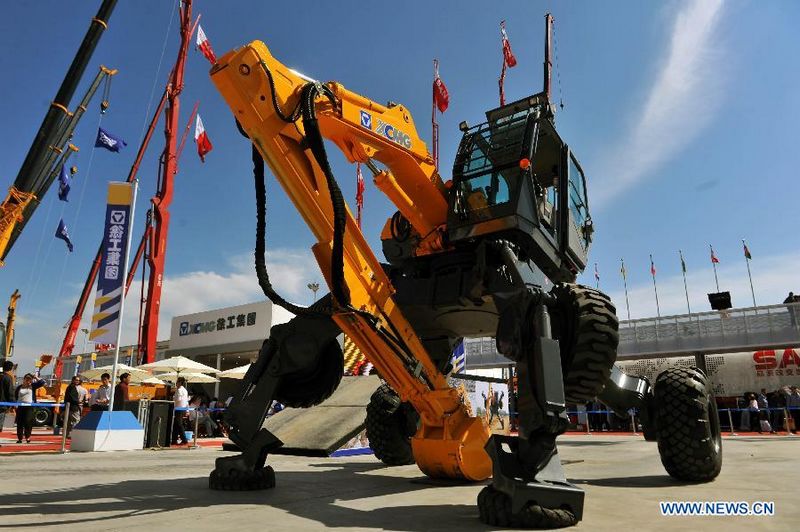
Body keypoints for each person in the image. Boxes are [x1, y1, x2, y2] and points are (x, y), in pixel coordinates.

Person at [14, 373, 46, 443]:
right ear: (24, 379)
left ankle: (27, 437)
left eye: (30, 379)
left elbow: (43, 382)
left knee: (28, 422)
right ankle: (20, 438)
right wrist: (15, 404)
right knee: (19, 423)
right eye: (26, 379)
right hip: (20, 407)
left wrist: (36, 377)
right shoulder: (19, 387)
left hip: (29, 407)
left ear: (31, 380)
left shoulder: (33, 386)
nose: (28, 381)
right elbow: (16, 396)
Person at [171, 377, 189, 445]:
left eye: (177, 382)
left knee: (179, 424)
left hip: (178, 408)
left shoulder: (179, 390)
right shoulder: (185, 390)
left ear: (180, 382)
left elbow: (178, 399)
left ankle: (184, 439)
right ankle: (174, 439)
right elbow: (186, 401)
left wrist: (173, 397)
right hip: (183, 408)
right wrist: (187, 410)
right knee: (176, 425)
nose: (176, 383)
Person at [0, 361, 15, 438]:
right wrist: (13, 404)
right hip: (2, 405)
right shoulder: (8, 378)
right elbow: (10, 392)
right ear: (11, 368)